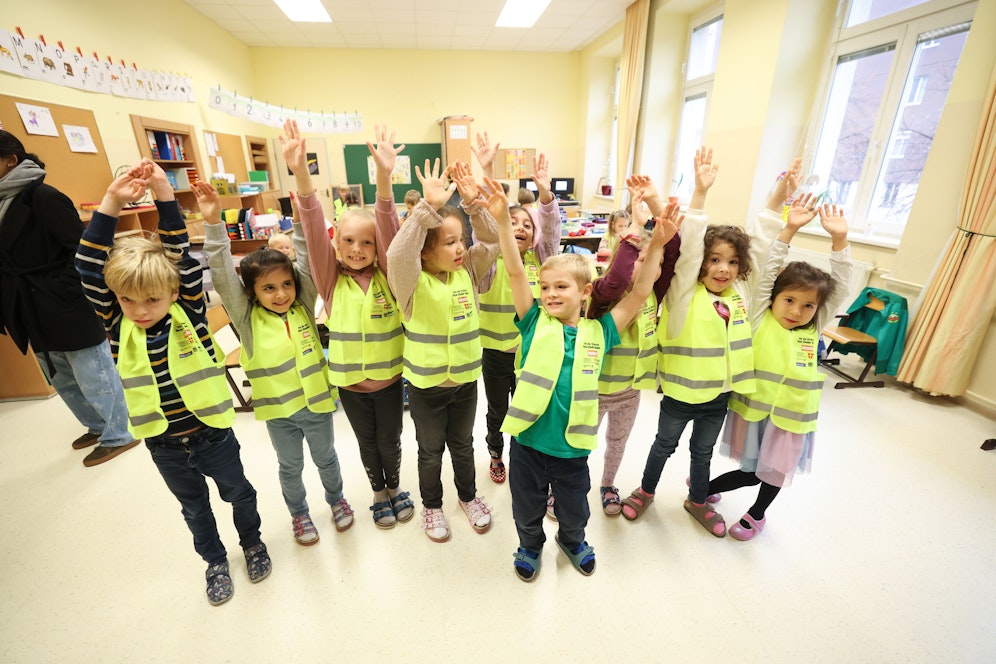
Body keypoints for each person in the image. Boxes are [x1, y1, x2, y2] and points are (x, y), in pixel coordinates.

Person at [75, 160, 269, 606]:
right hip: (163, 444)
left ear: (172, 292)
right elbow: (87, 266)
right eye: (127, 300)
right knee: (194, 508)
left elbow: (180, 251)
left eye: (151, 299)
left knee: (239, 492)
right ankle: (214, 561)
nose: (139, 309)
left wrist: (165, 195)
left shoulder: (190, 311)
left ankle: (253, 543)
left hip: (212, 433)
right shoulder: (115, 323)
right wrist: (111, 202)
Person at [491, 175, 680, 581]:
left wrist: (659, 242)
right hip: (527, 441)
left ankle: (573, 540)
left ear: (585, 291)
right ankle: (529, 545)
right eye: (545, 287)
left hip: (573, 447)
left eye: (561, 287)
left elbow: (638, 294)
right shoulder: (532, 322)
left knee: (575, 508)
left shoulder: (600, 331)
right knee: (526, 507)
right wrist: (504, 226)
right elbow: (514, 273)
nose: (549, 294)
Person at [203, 120, 354, 545]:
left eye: (286, 284)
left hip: (319, 404)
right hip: (279, 414)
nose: (281, 293)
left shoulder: (305, 303)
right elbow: (220, 270)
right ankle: (300, 514)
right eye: (269, 288)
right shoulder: (247, 319)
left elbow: (307, 251)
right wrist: (214, 224)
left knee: (327, 459)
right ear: (251, 293)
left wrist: (299, 183)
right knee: (290, 467)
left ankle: (338, 500)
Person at [620, 147, 756, 538]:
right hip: (680, 395)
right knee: (664, 446)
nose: (722, 269)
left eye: (731, 262)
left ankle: (698, 499)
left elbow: (763, 260)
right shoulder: (683, 295)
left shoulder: (737, 299)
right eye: (714, 260)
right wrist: (700, 195)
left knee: (703, 452)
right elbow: (690, 243)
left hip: (718, 397)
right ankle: (645, 491)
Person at [709, 191, 852, 541]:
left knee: (771, 474)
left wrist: (840, 241)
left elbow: (842, 287)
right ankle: (705, 487)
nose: (796, 311)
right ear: (773, 298)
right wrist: (787, 231)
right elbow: (769, 268)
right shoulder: (760, 317)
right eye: (789, 300)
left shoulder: (813, 328)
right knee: (749, 469)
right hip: (756, 412)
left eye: (807, 306)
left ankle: (756, 515)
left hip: (792, 419)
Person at [301, 121, 414, 530]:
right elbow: (313, 229)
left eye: (366, 242)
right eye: (347, 241)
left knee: (390, 441)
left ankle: (396, 487)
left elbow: (389, 231)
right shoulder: (330, 282)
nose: (357, 249)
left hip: (388, 379)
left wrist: (384, 178)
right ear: (336, 245)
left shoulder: (390, 274)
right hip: (349, 382)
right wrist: (301, 176)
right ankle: (378, 493)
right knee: (368, 444)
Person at [0, 131, 137, 467]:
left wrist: (63, 290)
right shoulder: (4, 201)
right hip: (29, 303)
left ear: (10, 160)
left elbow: (84, 250)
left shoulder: (43, 197)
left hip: (64, 300)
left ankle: (119, 433)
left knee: (93, 370)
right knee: (59, 374)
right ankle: (96, 425)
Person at [386, 158, 498, 543]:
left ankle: (468, 497)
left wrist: (473, 206)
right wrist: (424, 213)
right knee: (430, 451)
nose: (460, 248)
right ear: (424, 252)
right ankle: (432, 506)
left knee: (463, 446)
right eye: (449, 243)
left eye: (461, 240)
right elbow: (397, 255)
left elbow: (493, 242)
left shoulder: (467, 271)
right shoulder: (410, 282)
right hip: (426, 388)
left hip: (465, 384)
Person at [583, 187, 681, 517]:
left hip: (628, 393)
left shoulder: (656, 295)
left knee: (617, 444)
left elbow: (672, 252)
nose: (645, 266)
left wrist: (658, 214)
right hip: (591, 392)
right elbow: (619, 277)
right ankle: (567, 485)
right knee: (579, 444)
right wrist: (636, 229)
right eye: (639, 258)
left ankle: (608, 484)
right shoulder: (603, 294)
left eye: (653, 262)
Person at [476, 152, 561, 485]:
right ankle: (496, 454)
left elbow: (552, 230)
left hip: (532, 355)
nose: (521, 228)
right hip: (496, 354)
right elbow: (483, 228)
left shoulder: (543, 261)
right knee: (498, 411)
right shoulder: (491, 259)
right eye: (513, 224)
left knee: (530, 409)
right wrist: (486, 174)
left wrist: (545, 195)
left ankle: (524, 457)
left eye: (528, 225)